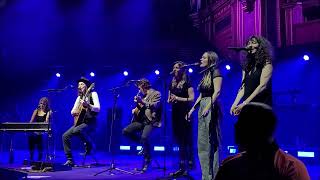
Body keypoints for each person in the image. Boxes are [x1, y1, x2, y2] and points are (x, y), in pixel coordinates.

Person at [215, 102, 310, 180]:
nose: (235, 127)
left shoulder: (290, 168)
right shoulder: (293, 167)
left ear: (260, 130)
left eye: (242, 124)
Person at [187, 51, 223, 180]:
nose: (200, 59)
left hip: (211, 106)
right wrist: (192, 109)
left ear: (211, 60)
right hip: (202, 106)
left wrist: (208, 108)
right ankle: (206, 176)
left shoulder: (216, 72)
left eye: (204, 57)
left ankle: (215, 174)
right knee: (202, 143)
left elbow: (217, 92)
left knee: (213, 142)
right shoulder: (205, 74)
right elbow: (201, 95)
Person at [122, 78, 162, 172]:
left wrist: (142, 101)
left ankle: (147, 160)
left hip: (150, 121)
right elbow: (140, 109)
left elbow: (155, 105)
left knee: (144, 138)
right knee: (126, 131)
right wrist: (135, 108)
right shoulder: (142, 96)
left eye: (139, 88)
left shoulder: (156, 93)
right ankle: (144, 147)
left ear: (143, 86)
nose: (138, 90)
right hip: (140, 121)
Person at [230, 36, 273, 116]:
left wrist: (244, 103)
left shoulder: (266, 63)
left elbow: (262, 86)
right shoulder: (246, 65)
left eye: (253, 43)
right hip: (247, 106)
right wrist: (235, 103)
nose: (250, 45)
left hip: (261, 106)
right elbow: (243, 86)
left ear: (260, 46)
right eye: (248, 43)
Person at [62, 77, 100, 166]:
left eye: (82, 84)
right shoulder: (79, 98)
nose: (79, 86)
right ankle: (70, 160)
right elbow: (72, 111)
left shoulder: (93, 94)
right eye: (79, 84)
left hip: (90, 122)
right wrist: (74, 112)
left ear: (87, 86)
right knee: (65, 136)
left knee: (77, 130)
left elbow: (97, 108)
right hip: (80, 123)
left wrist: (88, 105)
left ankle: (89, 145)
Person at [168, 61, 195, 177]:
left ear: (182, 69)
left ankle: (188, 165)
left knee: (186, 140)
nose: (175, 69)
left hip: (185, 113)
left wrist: (178, 98)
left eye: (177, 67)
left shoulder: (187, 82)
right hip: (175, 113)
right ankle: (181, 166)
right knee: (179, 141)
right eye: (174, 67)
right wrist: (170, 100)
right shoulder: (172, 83)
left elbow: (192, 98)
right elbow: (169, 99)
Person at [29, 97, 52, 161]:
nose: (42, 105)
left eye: (44, 104)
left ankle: (40, 158)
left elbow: (46, 122)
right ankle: (31, 157)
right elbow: (31, 121)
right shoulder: (36, 110)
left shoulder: (48, 111)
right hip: (36, 130)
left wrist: (48, 115)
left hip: (43, 131)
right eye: (41, 103)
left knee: (39, 137)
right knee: (31, 137)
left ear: (46, 105)